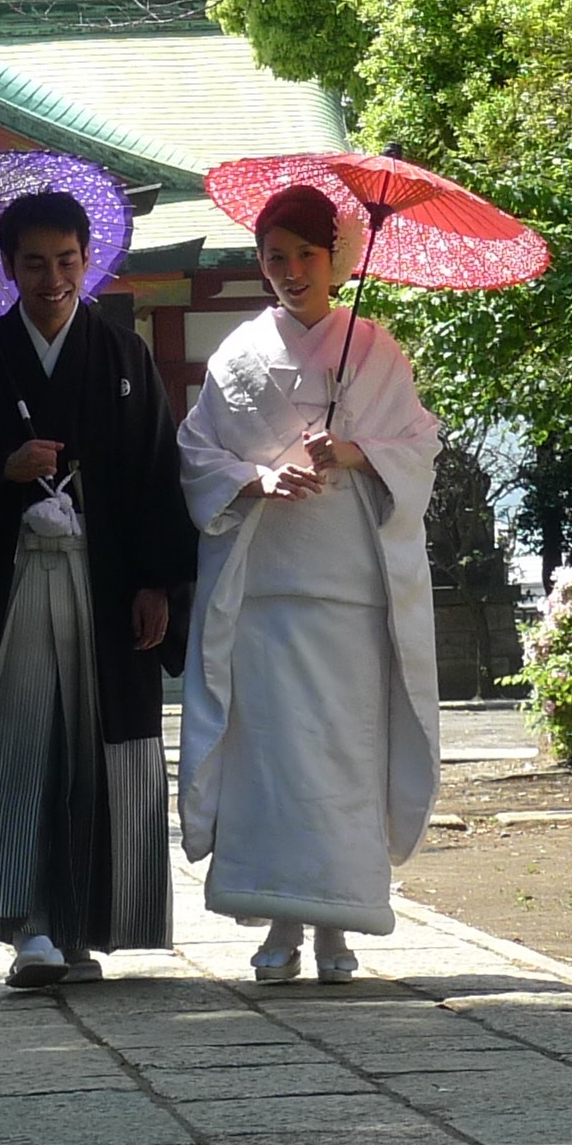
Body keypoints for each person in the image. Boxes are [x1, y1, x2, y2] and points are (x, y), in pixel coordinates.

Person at [0, 188, 194, 991]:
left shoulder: (124, 356)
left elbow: (155, 475)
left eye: (68, 261)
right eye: (34, 263)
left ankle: (85, 925)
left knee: (98, 748)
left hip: (106, 588)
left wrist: (156, 583)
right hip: (15, 592)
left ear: (88, 261)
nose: (52, 279)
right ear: (5, 268)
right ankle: (29, 923)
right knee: (25, 741)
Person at [176, 183, 441, 983]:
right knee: (272, 761)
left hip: (348, 588)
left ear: (337, 259)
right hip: (267, 589)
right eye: (275, 256)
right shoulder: (236, 355)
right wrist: (256, 477)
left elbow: (419, 444)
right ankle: (280, 924)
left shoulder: (375, 349)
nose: (290, 271)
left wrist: (356, 452)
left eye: (305, 255)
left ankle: (337, 929)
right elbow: (196, 452)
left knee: (343, 757)